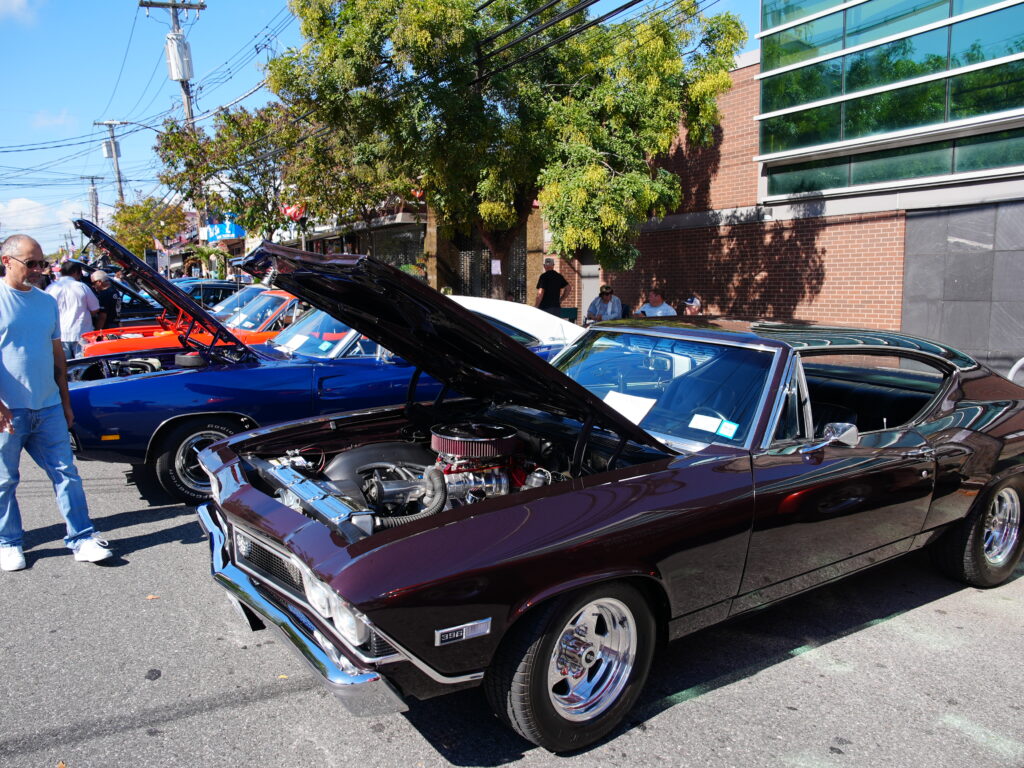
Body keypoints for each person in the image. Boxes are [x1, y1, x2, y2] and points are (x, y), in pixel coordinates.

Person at [0, 235, 112, 572]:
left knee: (67, 475)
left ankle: (82, 538)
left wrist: (65, 402)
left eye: (42, 263)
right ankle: (9, 542)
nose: (38, 269)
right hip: (7, 409)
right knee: (5, 481)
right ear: (6, 261)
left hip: (47, 406)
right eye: (30, 263)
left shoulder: (46, 302)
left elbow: (57, 356)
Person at [46, 261, 102, 359]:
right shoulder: (82, 287)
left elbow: (46, 312)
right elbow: (95, 308)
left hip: (59, 335)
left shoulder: (51, 288)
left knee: (64, 364)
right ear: (76, 272)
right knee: (83, 365)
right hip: (81, 333)